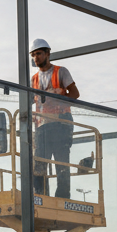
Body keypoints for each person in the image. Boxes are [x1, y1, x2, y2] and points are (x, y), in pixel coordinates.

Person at [30, 38, 80, 199]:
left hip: (61, 123)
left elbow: (75, 94)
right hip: (42, 125)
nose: (36, 57)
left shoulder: (61, 72)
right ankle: (40, 197)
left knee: (61, 164)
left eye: (38, 53)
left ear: (47, 54)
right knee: (39, 164)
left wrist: (60, 96)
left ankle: (62, 198)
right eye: (33, 55)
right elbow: (30, 101)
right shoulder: (34, 79)